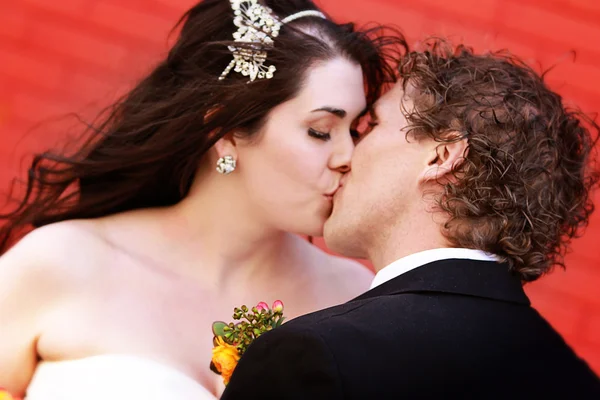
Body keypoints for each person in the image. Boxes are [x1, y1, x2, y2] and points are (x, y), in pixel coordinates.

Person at [0, 0, 403, 398]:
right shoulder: (63, 263)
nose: (347, 157)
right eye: (320, 130)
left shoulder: (354, 300)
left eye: (354, 131)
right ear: (225, 131)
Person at [222, 40, 600, 399]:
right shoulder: (577, 382)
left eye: (371, 126)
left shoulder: (317, 356)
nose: (346, 154)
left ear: (441, 158)